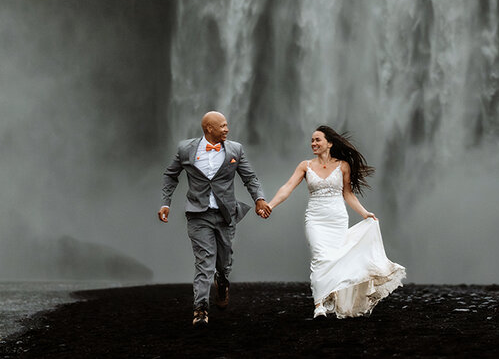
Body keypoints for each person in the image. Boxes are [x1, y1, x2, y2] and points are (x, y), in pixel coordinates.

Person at [266, 125, 405, 318]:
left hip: (337, 218)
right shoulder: (305, 165)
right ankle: (318, 304)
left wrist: (365, 213)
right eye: (312, 140)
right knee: (319, 256)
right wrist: (270, 205)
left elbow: (348, 194)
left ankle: (330, 293)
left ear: (329, 143)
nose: (313, 143)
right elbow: (287, 187)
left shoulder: (343, 166)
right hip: (315, 218)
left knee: (334, 257)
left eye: (317, 140)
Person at [158, 111, 271, 326]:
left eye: (227, 125)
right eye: (223, 126)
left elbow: (250, 177)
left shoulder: (235, 149)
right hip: (198, 214)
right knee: (204, 262)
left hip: (226, 213)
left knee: (224, 262)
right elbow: (170, 175)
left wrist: (260, 199)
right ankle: (200, 310)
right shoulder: (186, 149)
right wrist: (166, 203)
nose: (227, 129)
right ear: (209, 128)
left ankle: (223, 280)